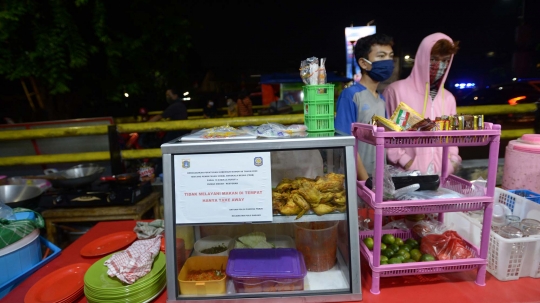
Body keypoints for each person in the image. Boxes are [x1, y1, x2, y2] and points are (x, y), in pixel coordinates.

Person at [382, 33, 461, 175]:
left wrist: (452, 162)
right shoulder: (396, 91)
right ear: (422, 58)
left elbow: (452, 137)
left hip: (440, 178)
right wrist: (406, 162)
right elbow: (388, 134)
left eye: (445, 61)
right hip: (405, 177)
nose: (440, 66)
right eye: (434, 59)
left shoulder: (448, 98)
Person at [335, 33, 395, 180]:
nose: (387, 61)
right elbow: (346, 142)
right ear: (363, 63)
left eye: (390, 56)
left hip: (378, 179)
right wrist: (365, 181)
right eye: (381, 56)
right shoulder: (350, 95)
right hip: (358, 182)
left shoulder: (381, 99)